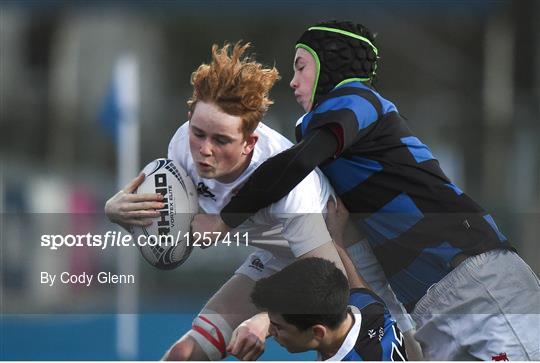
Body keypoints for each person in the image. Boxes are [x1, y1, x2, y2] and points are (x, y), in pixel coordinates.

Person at [193, 21, 540, 360]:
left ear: (332, 66)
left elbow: (295, 164)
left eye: (301, 67)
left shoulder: (356, 98)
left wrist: (225, 220)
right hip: (430, 307)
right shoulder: (331, 142)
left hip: (474, 280)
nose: (294, 82)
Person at [105, 42, 351, 361]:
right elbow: (169, 246)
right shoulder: (182, 146)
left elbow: (329, 282)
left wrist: (266, 320)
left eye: (221, 140)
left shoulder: (288, 182)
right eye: (199, 132)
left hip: (338, 262)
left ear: (250, 142)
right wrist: (116, 211)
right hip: (275, 260)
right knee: (184, 354)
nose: (204, 150)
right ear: (190, 116)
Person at [249, 199, 408, 361]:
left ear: (318, 332)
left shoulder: (368, 309)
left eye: (278, 327)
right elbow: (358, 288)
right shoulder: (367, 307)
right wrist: (336, 238)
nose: (270, 331)